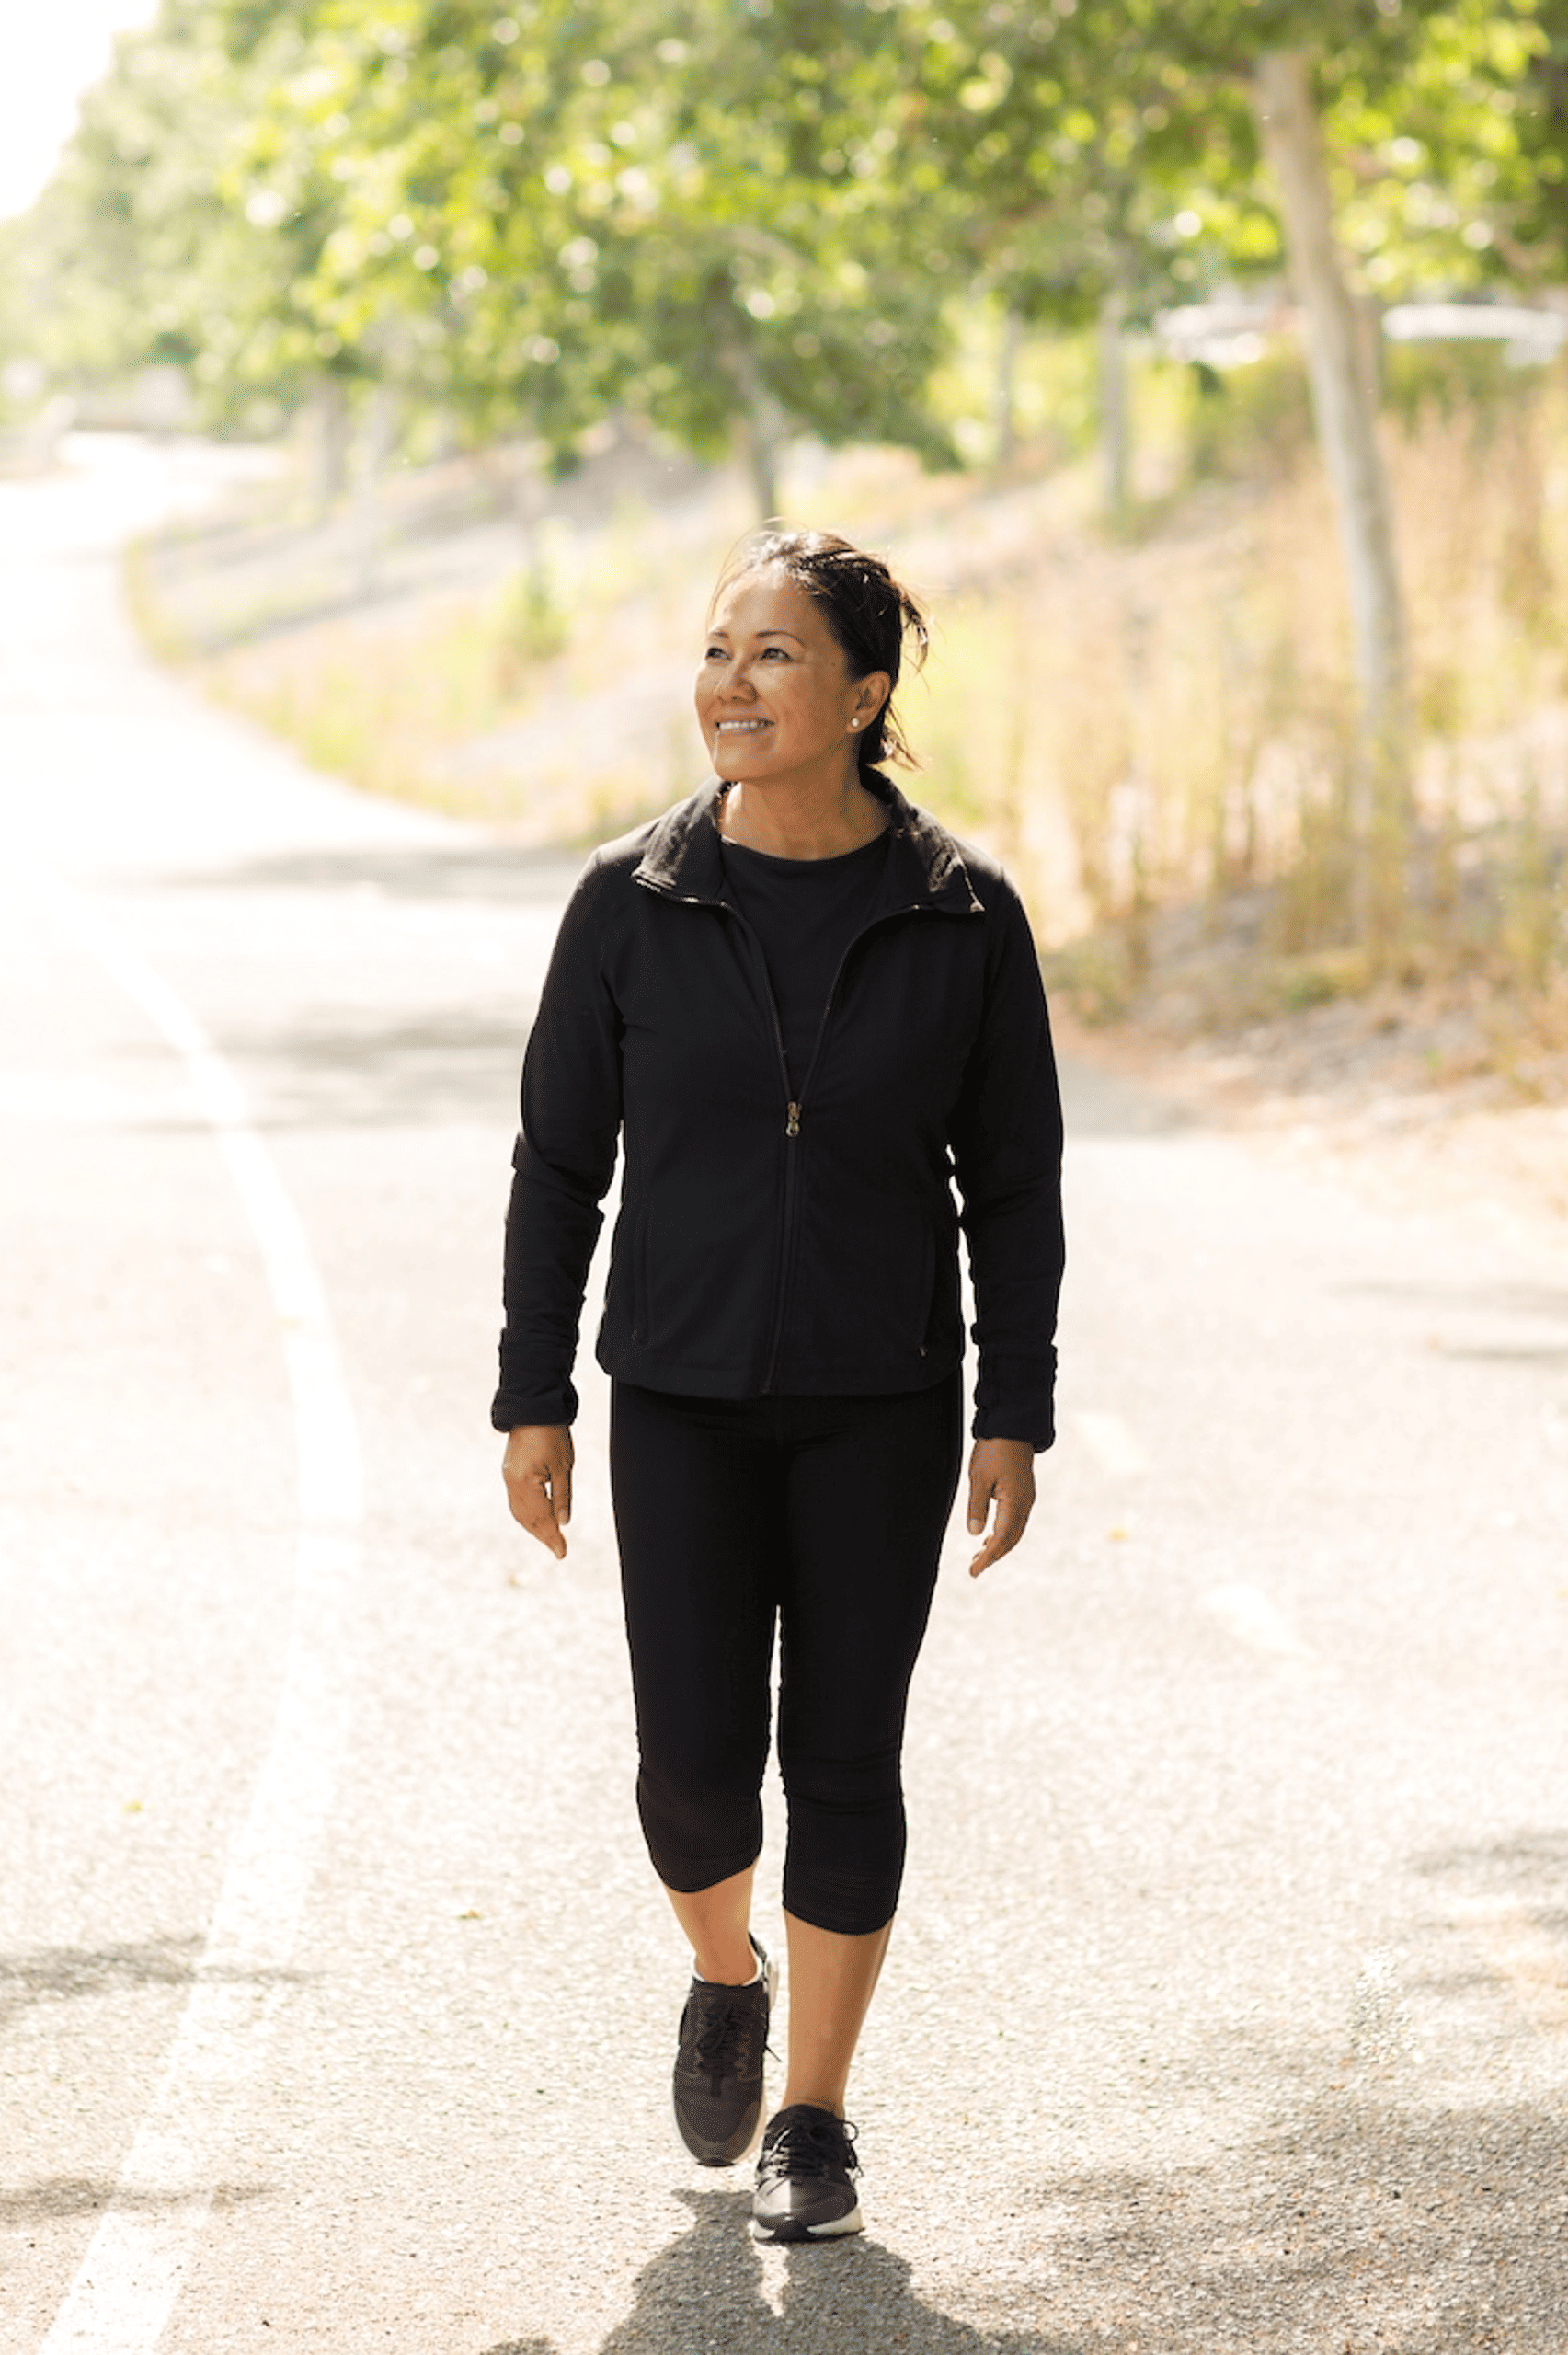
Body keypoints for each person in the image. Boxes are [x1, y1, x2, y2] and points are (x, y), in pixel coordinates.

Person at [491, 526, 1066, 2245]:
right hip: (678, 1391)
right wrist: (537, 1395)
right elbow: (555, 1165)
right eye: (716, 652)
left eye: (774, 656)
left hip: (881, 1400)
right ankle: (723, 1973)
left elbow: (1016, 1183)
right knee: (689, 1771)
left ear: (863, 695)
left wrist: (1011, 1407)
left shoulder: (962, 917)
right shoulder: (632, 903)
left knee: (848, 1757)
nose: (729, 685)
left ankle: (813, 2118)